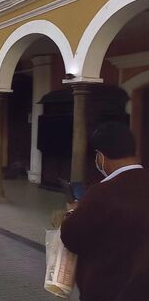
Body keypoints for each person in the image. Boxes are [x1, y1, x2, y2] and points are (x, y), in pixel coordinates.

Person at [61, 122, 149, 301]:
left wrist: (73, 213)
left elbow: (71, 238)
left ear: (101, 157)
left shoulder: (101, 193)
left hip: (109, 289)